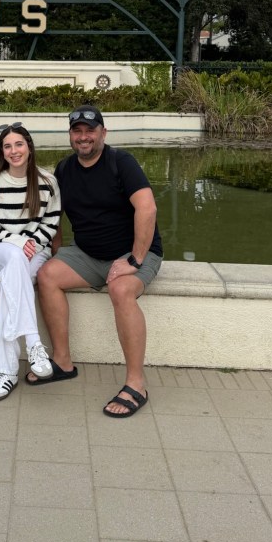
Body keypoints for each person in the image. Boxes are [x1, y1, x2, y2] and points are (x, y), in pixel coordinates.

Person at [32, 104, 163, 418]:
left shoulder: (122, 162)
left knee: (120, 291)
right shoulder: (64, 169)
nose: (83, 137)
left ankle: (136, 384)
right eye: (77, 131)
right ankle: (62, 362)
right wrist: (55, 251)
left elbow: (148, 209)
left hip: (135, 252)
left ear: (103, 133)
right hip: (89, 254)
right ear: (70, 136)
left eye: (90, 130)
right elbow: (54, 217)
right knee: (47, 275)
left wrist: (135, 258)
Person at [0, 122, 62, 401]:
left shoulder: (47, 182)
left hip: (34, 252)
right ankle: (34, 343)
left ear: (29, 147)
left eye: (18, 144)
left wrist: (33, 244)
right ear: (2, 152)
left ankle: (6, 372)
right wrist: (18, 243)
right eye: (7, 146)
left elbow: (51, 225)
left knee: (12, 283)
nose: (13, 151)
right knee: (13, 261)